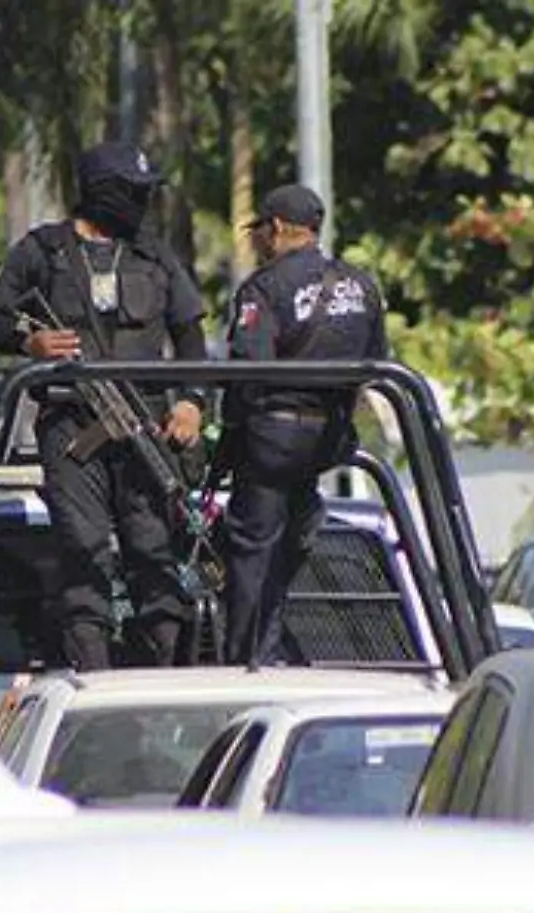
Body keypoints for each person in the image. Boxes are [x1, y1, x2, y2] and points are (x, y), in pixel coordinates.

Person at [0, 139, 210, 672]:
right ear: (105, 193)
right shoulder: (44, 251)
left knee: (154, 549)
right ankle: (95, 678)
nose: (144, 204)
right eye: (135, 193)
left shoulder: (154, 256)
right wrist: (26, 342)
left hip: (146, 425)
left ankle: (168, 679)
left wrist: (192, 403)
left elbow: (191, 337)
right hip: (73, 426)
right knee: (82, 551)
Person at [219, 184, 389, 667]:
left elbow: (247, 372)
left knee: (253, 550)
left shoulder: (265, 287)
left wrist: (230, 443)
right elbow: (375, 367)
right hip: (329, 440)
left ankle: (247, 662)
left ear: (274, 229)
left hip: (274, 439)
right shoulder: (362, 285)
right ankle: (272, 645)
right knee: (295, 533)